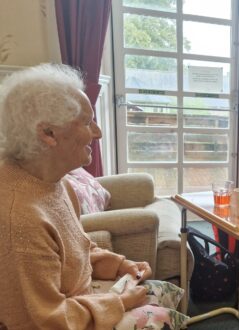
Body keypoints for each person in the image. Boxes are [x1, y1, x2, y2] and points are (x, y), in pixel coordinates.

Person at [0, 64, 187, 329]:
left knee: (161, 290)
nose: (98, 132)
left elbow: (78, 249)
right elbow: (39, 320)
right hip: (60, 321)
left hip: (81, 302)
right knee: (158, 317)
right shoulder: (19, 216)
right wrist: (120, 303)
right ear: (48, 133)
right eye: (88, 122)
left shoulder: (56, 183)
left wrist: (121, 265)